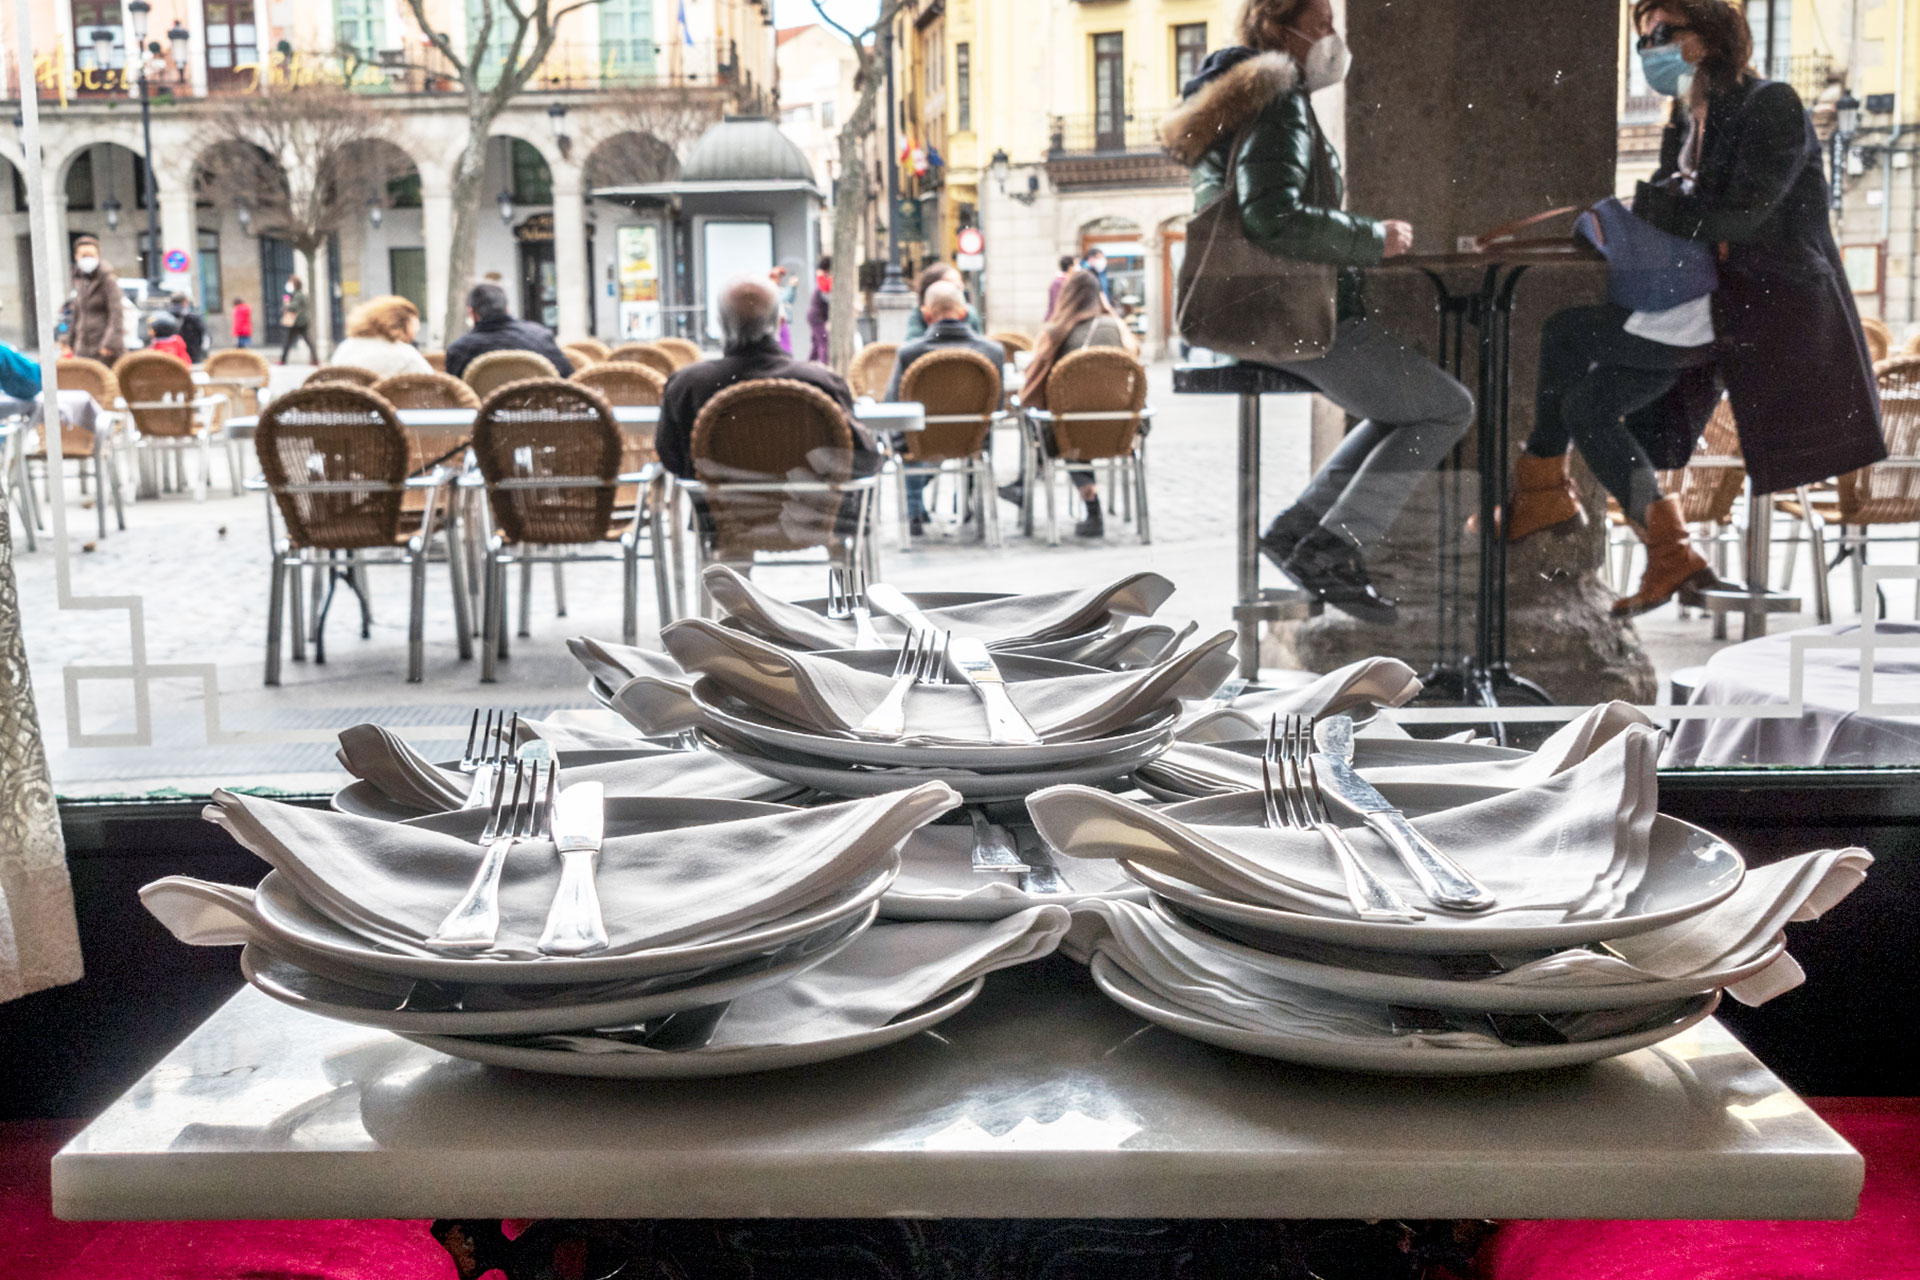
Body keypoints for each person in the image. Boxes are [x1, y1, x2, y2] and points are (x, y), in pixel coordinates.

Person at [1510, 0, 1886, 617]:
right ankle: (1668, 550)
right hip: (1699, 296)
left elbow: (1743, 215)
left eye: (1660, 33)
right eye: (1641, 39)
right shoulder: (1685, 116)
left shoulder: (1771, 104)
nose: (1647, 49)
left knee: (1570, 332)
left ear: (1709, 37)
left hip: (1754, 303)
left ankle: (1543, 483)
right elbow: (1684, 210)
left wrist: (1642, 209)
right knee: (1589, 405)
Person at [1161, 0, 1474, 624]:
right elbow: (1271, 215)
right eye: (1323, 22)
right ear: (1282, 28)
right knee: (1447, 407)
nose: (1333, 36)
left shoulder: (1236, 96)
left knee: (1401, 410)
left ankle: (1302, 533)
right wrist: (1369, 237)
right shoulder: (1278, 99)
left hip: (1255, 314)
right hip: (1294, 313)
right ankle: (1330, 547)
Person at [655, 275, 880, 482]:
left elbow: (672, 459)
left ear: (720, 323)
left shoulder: (687, 387)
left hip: (716, 523)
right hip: (809, 522)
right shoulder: (821, 383)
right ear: (781, 322)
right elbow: (865, 459)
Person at [999, 269, 1138, 538]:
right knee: (1076, 423)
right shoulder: (1116, 328)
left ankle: (1029, 485)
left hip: (1069, 433)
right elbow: (1135, 355)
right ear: (1099, 296)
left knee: (1048, 425)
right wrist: (1110, 312)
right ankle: (1085, 503)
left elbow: (1031, 387)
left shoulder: (1056, 331)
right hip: (1119, 429)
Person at [882, 280, 1007, 533]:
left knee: (905, 438)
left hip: (920, 441)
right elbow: (998, 405)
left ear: (926, 315)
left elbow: (892, 405)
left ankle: (914, 513)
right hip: (973, 441)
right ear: (964, 312)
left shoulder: (909, 353)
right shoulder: (993, 352)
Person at [443, 282, 573, 380]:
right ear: (507, 308)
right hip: (540, 412)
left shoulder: (459, 349)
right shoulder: (540, 336)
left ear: (471, 312)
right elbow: (568, 379)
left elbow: (456, 395)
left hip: (483, 414)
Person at [330, 295, 433, 379]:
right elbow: (432, 385)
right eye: (413, 323)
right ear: (400, 322)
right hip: (394, 404)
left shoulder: (345, 347)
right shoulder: (404, 353)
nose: (417, 328)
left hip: (345, 403)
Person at [67, 236, 125, 366]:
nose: (87, 259)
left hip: (104, 350)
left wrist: (110, 343)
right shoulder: (79, 280)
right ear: (76, 256)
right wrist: (69, 341)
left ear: (98, 256)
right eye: (84, 255)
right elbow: (77, 314)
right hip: (82, 348)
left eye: (91, 255)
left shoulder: (108, 280)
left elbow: (116, 314)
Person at [903, 262, 980, 339]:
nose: (961, 286)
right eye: (952, 283)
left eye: (960, 282)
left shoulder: (970, 313)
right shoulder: (918, 315)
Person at [279, 276, 316, 364]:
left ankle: (283, 360)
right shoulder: (298, 294)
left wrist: (286, 305)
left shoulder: (298, 295)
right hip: (300, 321)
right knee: (306, 341)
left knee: (288, 341)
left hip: (298, 322)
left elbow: (293, 307)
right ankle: (315, 359)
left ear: (295, 284)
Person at [807, 254, 832, 364]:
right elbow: (827, 297)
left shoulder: (822, 280)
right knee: (823, 341)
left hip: (815, 315)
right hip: (817, 316)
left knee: (817, 343)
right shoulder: (823, 282)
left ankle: (809, 365)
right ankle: (824, 365)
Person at [169, 293, 207, 363]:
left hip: (172, 356)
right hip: (193, 354)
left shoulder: (166, 317)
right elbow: (204, 333)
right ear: (185, 302)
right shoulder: (194, 316)